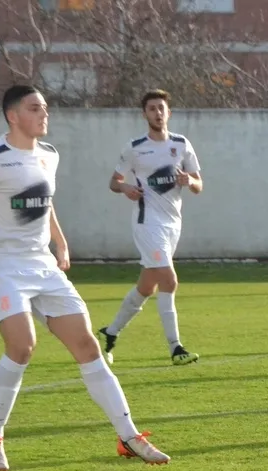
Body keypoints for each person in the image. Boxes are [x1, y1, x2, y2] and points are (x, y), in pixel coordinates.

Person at [0, 85, 170, 471]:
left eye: (45, 107)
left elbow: (45, 203)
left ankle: (129, 436)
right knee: (22, 346)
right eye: (34, 108)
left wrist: (60, 242)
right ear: (13, 116)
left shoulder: (49, 155)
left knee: (88, 346)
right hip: (3, 267)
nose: (44, 113)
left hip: (43, 267)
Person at [99, 89, 204, 366]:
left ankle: (111, 332)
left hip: (172, 224)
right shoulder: (135, 147)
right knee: (169, 281)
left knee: (146, 287)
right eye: (152, 109)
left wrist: (189, 181)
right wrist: (125, 188)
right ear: (144, 114)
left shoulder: (181, 144)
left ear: (169, 112)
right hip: (147, 223)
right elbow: (114, 181)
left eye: (161, 108)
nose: (158, 113)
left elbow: (198, 185)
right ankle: (176, 348)